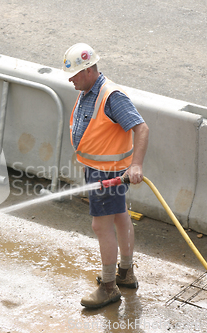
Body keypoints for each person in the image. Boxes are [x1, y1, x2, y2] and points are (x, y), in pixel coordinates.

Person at [62, 43, 149, 309]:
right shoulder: (89, 90)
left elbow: (141, 129)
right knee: (120, 217)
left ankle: (109, 286)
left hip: (107, 174)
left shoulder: (111, 96)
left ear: (89, 70)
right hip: (100, 169)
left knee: (101, 226)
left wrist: (136, 165)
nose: (71, 78)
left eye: (75, 73)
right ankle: (126, 271)